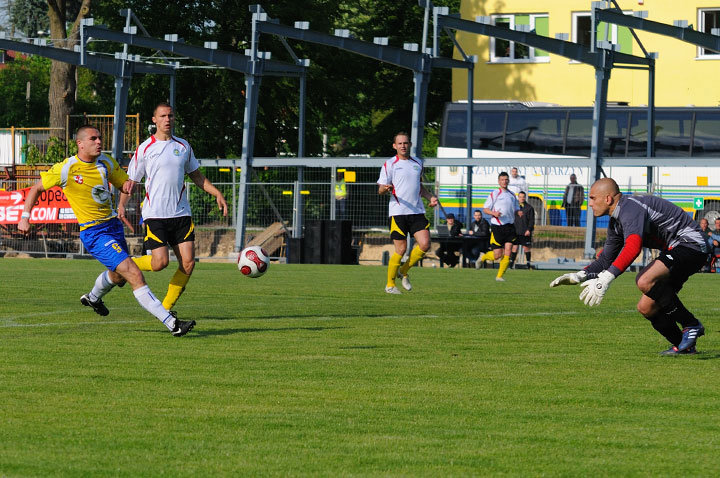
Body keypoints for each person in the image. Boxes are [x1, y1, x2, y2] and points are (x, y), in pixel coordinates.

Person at [17, 125, 195, 337]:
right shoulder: (67, 168)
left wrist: (132, 185)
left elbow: (124, 185)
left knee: (118, 276)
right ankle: (172, 323)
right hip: (94, 232)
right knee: (134, 274)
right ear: (80, 144)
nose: (99, 142)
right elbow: (36, 189)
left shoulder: (106, 162)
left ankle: (92, 298)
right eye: (93, 139)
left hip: (113, 227)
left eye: (100, 138)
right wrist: (25, 217)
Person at [550, 178, 709, 356]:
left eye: (593, 198)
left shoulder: (630, 208)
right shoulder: (616, 223)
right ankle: (684, 346)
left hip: (692, 244)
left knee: (644, 280)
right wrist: (579, 276)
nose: (590, 204)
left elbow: (633, 247)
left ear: (608, 199)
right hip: (677, 249)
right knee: (646, 307)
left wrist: (606, 279)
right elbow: (604, 261)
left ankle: (691, 324)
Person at [118, 102, 228, 314]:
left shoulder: (184, 147)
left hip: (181, 214)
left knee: (188, 264)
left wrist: (217, 194)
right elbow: (130, 181)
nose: (167, 119)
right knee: (160, 263)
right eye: (162, 116)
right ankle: (126, 266)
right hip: (155, 215)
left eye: (170, 115)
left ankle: (165, 310)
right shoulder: (145, 148)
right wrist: (121, 205)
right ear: (154, 120)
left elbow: (196, 176)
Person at [377, 131, 438, 294]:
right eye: (400, 143)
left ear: (410, 145)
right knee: (401, 249)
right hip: (398, 212)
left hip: (416, 211)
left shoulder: (417, 162)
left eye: (406, 143)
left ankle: (403, 271)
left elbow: (420, 187)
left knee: (425, 244)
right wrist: (385, 188)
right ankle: (390, 285)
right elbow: (381, 189)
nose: (403, 146)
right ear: (394, 146)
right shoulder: (390, 164)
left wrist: (430, 197)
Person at [477, 171, 519, 281]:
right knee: (497, 255)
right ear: (498, 181)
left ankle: (499, 276)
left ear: (508, 181)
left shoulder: (512, 195)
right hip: (497, 227)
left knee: (508, 250)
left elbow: (516, 208)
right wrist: (493, 213)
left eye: (506, 180)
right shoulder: (495, 193)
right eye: (502, 180)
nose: (504, 182)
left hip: (510, 227)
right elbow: (485, 209)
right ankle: (484, 257)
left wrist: (519, 212)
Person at [510, 191, 535, 269]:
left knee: (526, 248)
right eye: (520, 197)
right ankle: (511, 265)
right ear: (518, 197)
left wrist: (529, 230)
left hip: (525, 231)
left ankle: (528, 264)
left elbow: (531, 220)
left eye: (523, 197)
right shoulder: (514, 207)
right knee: (514, 247)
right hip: (516, 231)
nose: (522, 198)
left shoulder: (529, 208)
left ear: (525, 197)